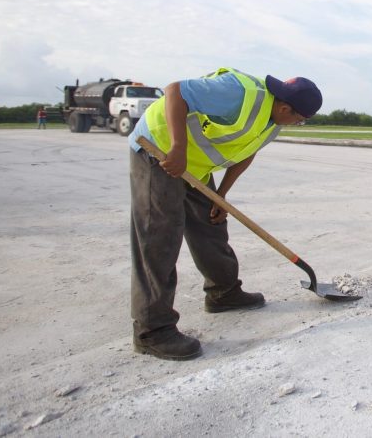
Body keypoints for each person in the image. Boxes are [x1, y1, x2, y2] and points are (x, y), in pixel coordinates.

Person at [127, 68, 321, 360]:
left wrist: (223, 195)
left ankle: (223, 293)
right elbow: (174, 91)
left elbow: (247, 152)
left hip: (195, 165)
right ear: (285, 108)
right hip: (159, 151)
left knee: (212, 224)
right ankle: (152, 331)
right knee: (160, 237)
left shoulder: (273, 121)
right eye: (299, 119)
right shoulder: (240, 92)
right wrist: (177, 148)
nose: (298, 123)